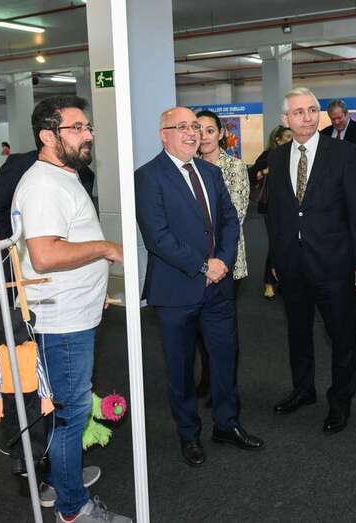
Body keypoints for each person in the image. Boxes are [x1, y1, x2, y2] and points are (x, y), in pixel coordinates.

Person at [12, 95, 130, 523]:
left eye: (88, 127)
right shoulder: (43, 185)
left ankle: (66, 479)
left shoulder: (63, 176)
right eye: (77, 128)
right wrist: (105, 248)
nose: (88, 135)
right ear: (48, 136)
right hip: (60, 322)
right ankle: (73, 508)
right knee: (70, 415)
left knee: (68, 409)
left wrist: (94, 287)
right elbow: (44, 255)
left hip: (73, 313)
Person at [135, 107, 264, 469]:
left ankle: (227, 424)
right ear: (164, 135)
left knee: (224, 358)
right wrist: (203, 265)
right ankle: (188, 434)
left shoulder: (210, 172)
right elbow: (157, 236)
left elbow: (230, 220)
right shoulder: (147, 177)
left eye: (195, 126)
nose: (192, 133)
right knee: (180, 368)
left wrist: (221, 261)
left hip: (218, 288)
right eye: (182, 127)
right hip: (176, 291)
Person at [267, 87, 356, 434]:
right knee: (298, 332)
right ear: (286, 119)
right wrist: (274, 259)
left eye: (312, 110)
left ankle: (340, 401)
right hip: (291, 265)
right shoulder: (276, 158)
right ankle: (303, 389)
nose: (308, 117)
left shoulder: (343, 153)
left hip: (334, 264)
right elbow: (276, 215)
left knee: (342, 336)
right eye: (299, 112)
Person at [194, 109, 251, 402]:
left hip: (227, 261)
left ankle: (225, 385)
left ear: (221, 134)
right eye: (198, 130)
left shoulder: (235, 168)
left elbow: (235, 216)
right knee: (199, 328)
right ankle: (206, 378)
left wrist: (215, 260)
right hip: (195, 263)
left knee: (223, 331)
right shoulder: (188, 167)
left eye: (210, 130)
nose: (204, 136)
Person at [0, 150, 95, 239]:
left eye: (89, 131)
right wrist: (19, 242)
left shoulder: (86, 174)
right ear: (49, 137)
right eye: (77, 131)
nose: (88, 137)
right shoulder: (20, 164)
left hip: (74, 251)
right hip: (26, 250)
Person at [249, 125, 293, 300]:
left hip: (292, 207)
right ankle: (269, 282)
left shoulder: (295, 154)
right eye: (288, 137)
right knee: (276, 243)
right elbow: (253, 174)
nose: (291, 139)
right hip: (272, 207)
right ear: (278, 139)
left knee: (289, 244)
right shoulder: (269, 155)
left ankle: (284, 280)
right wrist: (266, 170)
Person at [320, 99, 356, 188]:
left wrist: (346, 176)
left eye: (339, 118)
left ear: (347, 114)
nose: (336, 122)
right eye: (333, 119)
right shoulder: (324, 134)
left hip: (354, 187)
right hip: (328, 188)